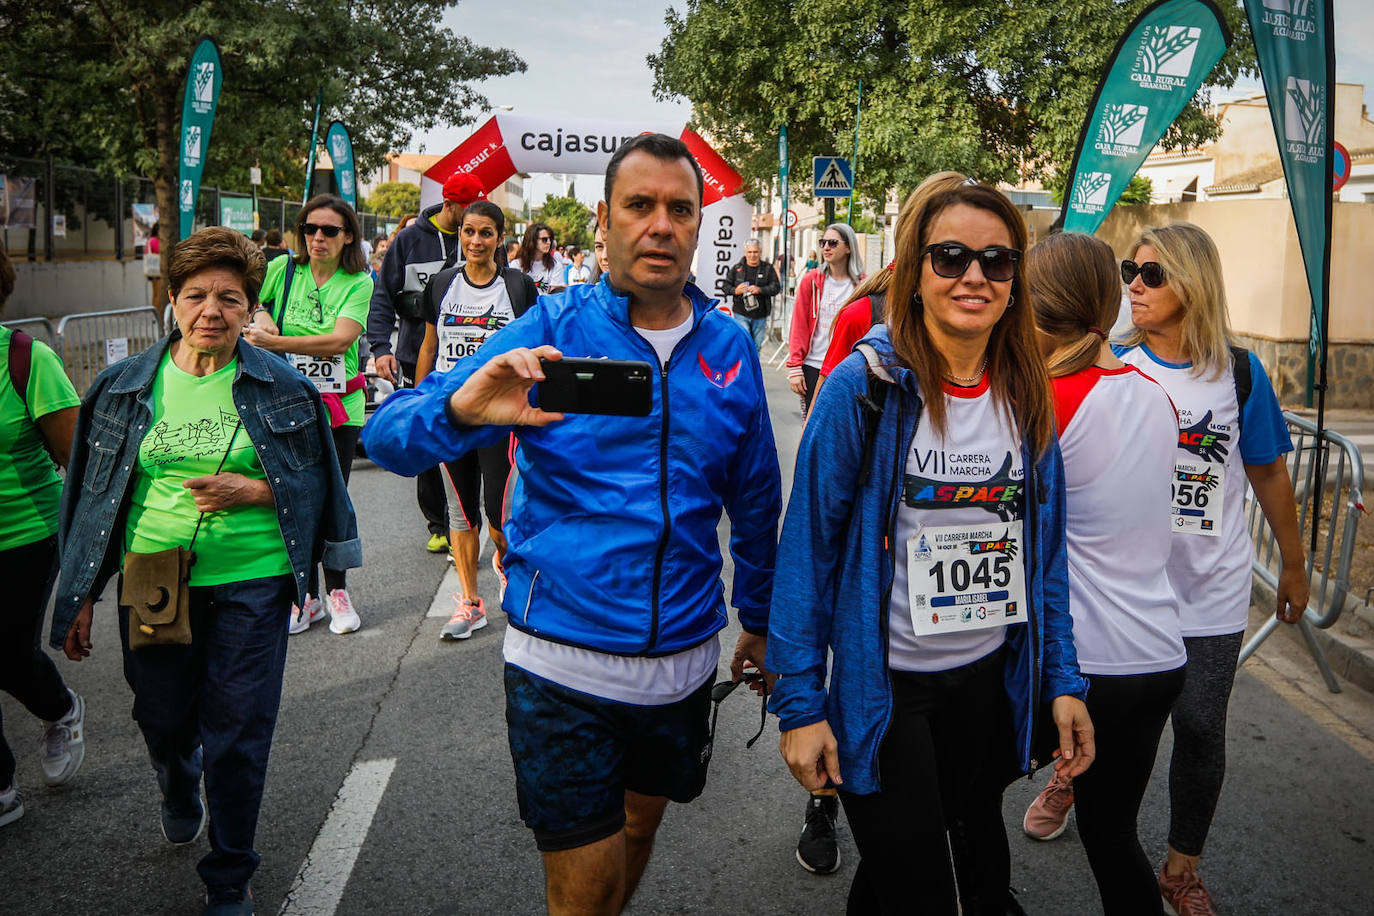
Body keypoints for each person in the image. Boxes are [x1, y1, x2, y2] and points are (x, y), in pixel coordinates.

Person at [362, 133, 781, 915]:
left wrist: (757, 619)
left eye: (679, 209)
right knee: (583, 891)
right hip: (562, 661)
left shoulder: (727, 346)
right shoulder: (549, 328)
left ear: (698, 225)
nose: (661, 224)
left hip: (684, 659)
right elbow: (387, 437)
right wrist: (460, 409)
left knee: (636, 832)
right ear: (604, 220)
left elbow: (755, 499)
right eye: (640, 206)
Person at [767, 178, 1093, 915]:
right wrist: (797, 704)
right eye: (950, 257)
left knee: (897, 874)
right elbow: (807, 553)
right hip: (887, 692)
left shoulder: (1026, 391)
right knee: (921, 890)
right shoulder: (865, 387)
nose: (974, 275)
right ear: (914, 270)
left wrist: (1064, 679)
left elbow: (1046, 559)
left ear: (1016, 280)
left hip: (985, 683)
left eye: (996, 261)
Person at [52, 227, 360, 916]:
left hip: (253, 577)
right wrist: (78, 596)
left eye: (230, 298)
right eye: (196, 296)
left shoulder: (283, 386)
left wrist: (256, 492)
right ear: (172, 299)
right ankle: (174, 773)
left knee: (240, 731)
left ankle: (230, 874)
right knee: (160, 713)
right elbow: (94, 499)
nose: (212, 312)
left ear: (251, 307)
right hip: (154, 571)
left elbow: (322, 482)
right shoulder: (123, 387)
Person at [1114, 222, 1307, 916]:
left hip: (1212, 586)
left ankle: (1179, 868)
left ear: (1192, 283)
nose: (1134, 285)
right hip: (1124, 590)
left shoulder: (1240, 372)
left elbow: (1269, 471)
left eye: (1151, 274)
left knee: (1199, 726)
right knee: (1112, 728)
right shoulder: (1111, 362)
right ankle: (1073, 783)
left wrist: (1294, 565)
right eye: (1128, 272)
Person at [1017, 232, 1186, 915]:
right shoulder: (1154, 395)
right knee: (1112, 833)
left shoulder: (1043, 406)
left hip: (1081, 663)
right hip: (1157, 655)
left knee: (949, 803)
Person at [246, 195, 372, 635]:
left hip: (340, 409)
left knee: (332, 499)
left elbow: (339, 341)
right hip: (286, 409)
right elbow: (252, 300)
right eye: (310, 229)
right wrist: (263, 315)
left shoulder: (358, 282)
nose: (318, 238)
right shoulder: (282, 269)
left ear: (348, 236)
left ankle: (337, 591)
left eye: (330, 231)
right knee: (294, 499)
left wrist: (274, 344)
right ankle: (306, 596)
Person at [414, 200, 538, 640]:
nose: (476, 241)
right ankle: (470, 602)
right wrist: (421, 404)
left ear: (499, 238)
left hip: (500, 417)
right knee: (461, 513)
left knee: (499, 516)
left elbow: (534, 352)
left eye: (486, 233)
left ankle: (506, 567)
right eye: (469, 232)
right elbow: (428, 348)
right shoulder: (443, 284)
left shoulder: (518, 287)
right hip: (452, 413)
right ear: (460, 234)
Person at [1, 241, 86, 829]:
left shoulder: (26, 360)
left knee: (7, 655)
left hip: (26, 536)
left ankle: (61, 709)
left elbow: (77, 465)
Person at [366, 173, 486, 555]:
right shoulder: (409, 240)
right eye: (468, 212)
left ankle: (467, 520)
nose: (475, 228)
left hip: (468, 361)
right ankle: (438, 523)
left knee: (469, 443)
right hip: (416, 353)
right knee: (426, 440)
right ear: (450, 205)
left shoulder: (480, 239)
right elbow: (383, 295)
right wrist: (381, 346)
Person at [787, 222, 863, 416]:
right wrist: (795, 366)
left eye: (833, 243)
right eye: (823, 242)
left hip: (846, 368)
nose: (826, 248)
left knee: (843, 430)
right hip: (814, 366)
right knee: (811, 426)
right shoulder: (811, 281)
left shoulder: (862, 285)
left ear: (848, 247)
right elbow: (799, 325)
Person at [727, 238, 781, 349]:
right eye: (750, 252)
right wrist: (735, 291)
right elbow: (725, 286)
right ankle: (743, 366)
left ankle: (753, 366)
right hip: (741, 313)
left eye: (755, 252)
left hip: (760, 316)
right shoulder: (737, 268)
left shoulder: (768, 268)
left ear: (760, 252)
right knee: (744, 344)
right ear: (745, 253)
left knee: (756, 347)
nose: (752, 255)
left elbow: (776, 288)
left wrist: (760, 290)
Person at [511, 222, 566, 294]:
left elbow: (554, 296)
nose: (549, 242)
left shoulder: (555, 265)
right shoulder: (516, 265)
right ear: (532, 240)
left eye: (550, 239)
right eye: (544, 239)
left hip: (545, 304)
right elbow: (515, 294)